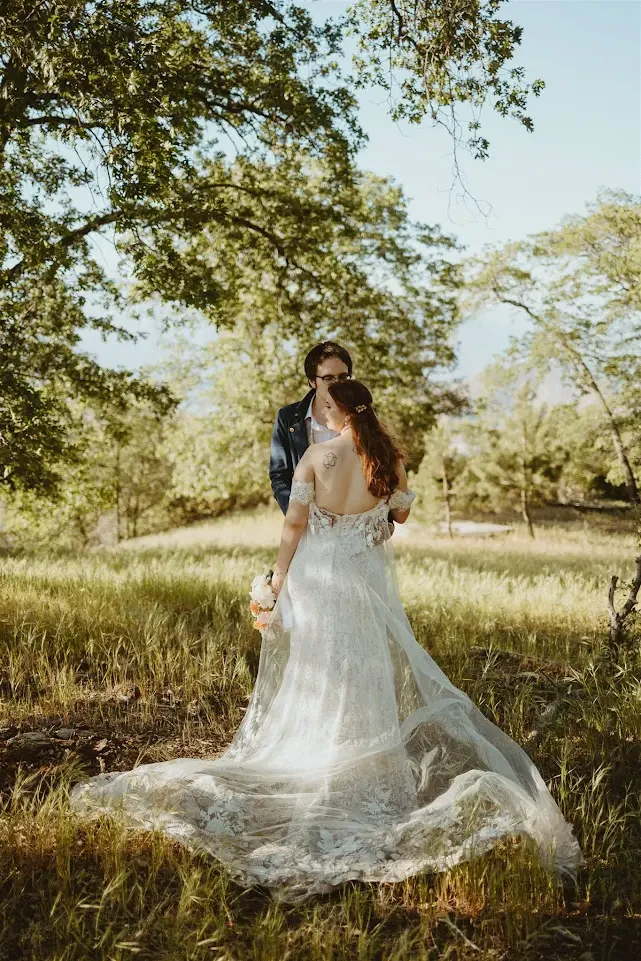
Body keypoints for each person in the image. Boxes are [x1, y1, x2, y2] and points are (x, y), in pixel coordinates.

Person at [71, 380, 582, 901]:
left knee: (317, 663)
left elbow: (295, 526)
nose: (322, 411)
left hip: (318, 575)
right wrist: (375, 520)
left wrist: (276, 581)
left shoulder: (317, 456)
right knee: (362, 664)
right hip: (362, 575)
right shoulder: (389, 457)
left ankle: (318, 748)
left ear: (336, 411)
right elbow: (398, 516)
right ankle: (358, 752)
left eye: (326, 406)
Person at [269, 341, 352, 515]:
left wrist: (381, 520)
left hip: (356, 525)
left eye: (343, 377)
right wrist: (297, 513)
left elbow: (382, 468)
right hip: (310, 526)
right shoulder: (288, 418)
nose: (338, 384)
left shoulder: (365, 414)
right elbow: (279, 476)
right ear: (312, 381)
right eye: (328, 378)